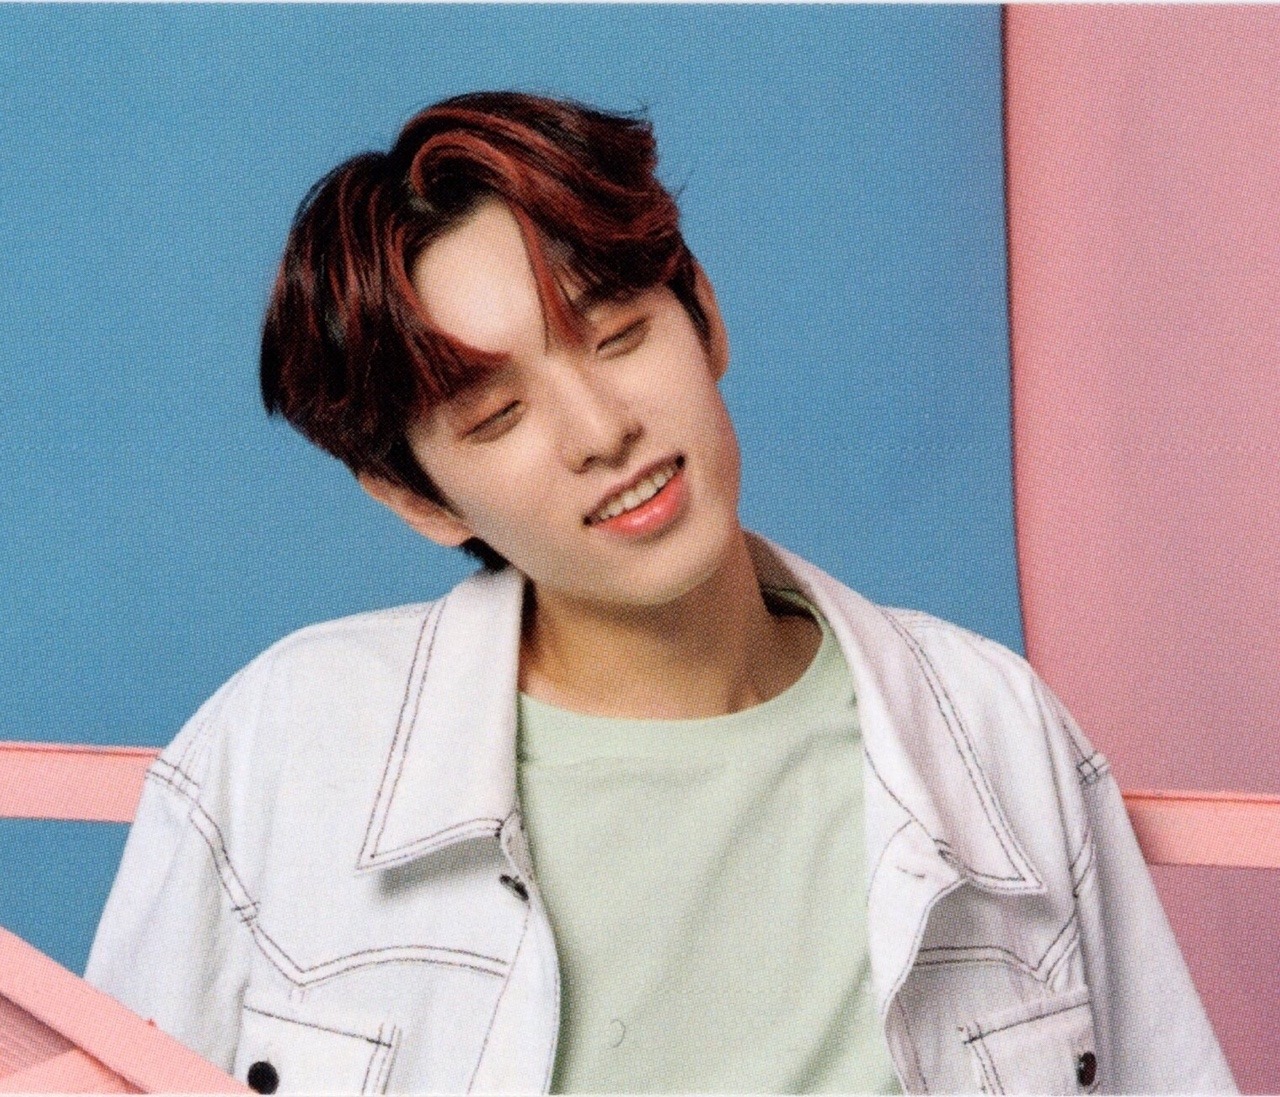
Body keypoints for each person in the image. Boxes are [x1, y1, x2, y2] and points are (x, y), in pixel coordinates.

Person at [85, 91, 1235, 1095]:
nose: (600, 431)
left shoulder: (991, 728)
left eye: (617, 335)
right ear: (415, 496)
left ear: (704, 314)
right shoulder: (280, 751)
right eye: (496, 414)